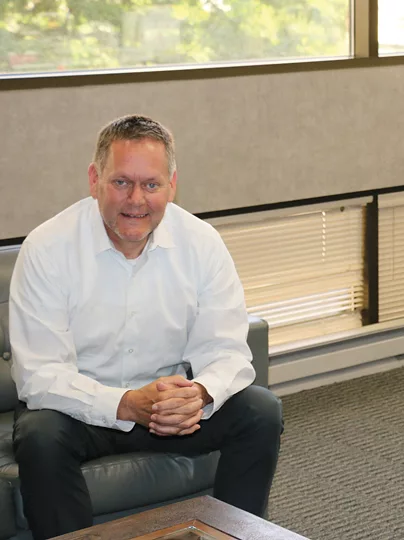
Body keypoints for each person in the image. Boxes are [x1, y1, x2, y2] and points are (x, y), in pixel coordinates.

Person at [10, 114, 283, 540]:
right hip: (83, 411)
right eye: (121, 182)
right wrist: (124, 404)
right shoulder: (48, 248)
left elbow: (226, 350)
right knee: (39, 435)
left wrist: (199, 393)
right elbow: (40, 374)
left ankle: (229, 535)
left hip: (170, 409)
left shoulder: (202, 243)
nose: (136, 199)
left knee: (260, 411)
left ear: (171, 185)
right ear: (94, 180)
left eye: (151, 185)